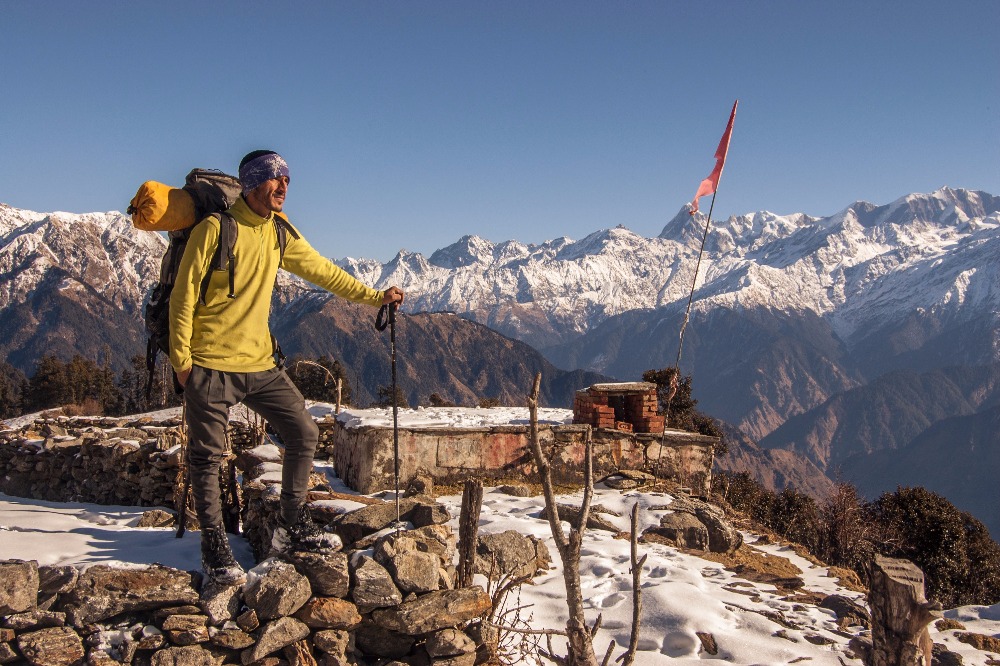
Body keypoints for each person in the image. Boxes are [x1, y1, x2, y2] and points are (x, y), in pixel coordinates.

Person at [169, 149, 404, 585]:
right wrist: (183, 363)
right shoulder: (215, 230)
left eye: (287, 180)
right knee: (207, 458)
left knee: (304, 432)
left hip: (260, 363)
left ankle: (289, 524)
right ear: (251, 183)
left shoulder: (279, 233)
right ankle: (215, 546)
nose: (283, 188)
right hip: (210, 364)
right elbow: (183, 297)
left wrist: (375, 297)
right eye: (274, 179)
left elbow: (324, 272)